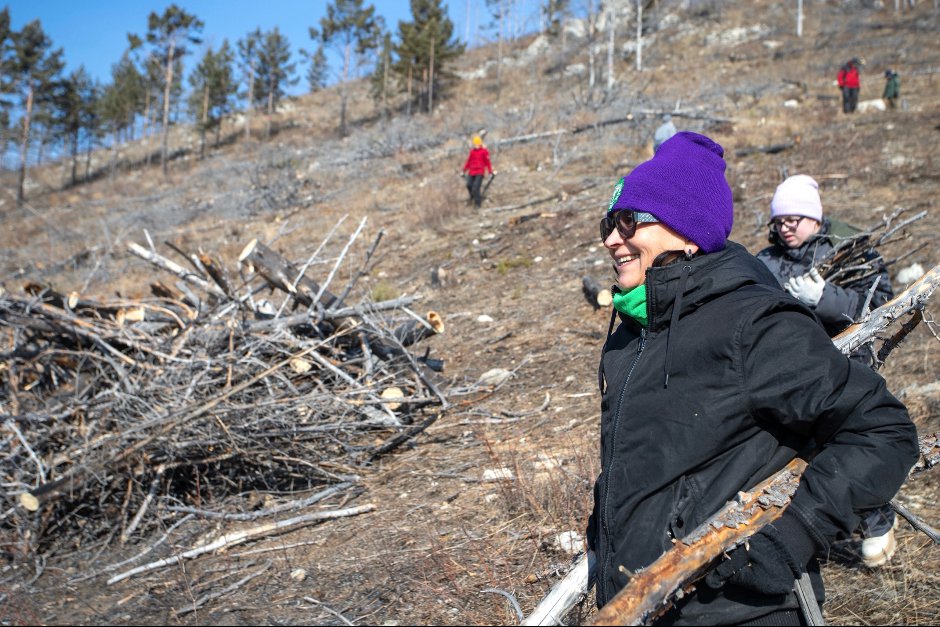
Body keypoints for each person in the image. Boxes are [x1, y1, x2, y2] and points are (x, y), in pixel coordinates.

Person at [587, 132, 918, 625]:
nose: (613, 239)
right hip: (643, 608)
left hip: (738, 612)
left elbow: (882, 430)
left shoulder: (753, 324)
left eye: (629, 221)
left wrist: (794, 536)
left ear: (686, 229)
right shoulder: (632, 333)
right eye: (608, 224)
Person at [756, 174, 899, 568]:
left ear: (816, 219)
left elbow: (880, 304)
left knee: (850, 444)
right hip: (788, 376)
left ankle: (877, 519)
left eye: (795, 219)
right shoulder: (765, 262)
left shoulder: (851, 253)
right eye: (780, 221)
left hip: (846, 370)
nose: (786, 228)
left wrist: (824, 299)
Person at [462, 134, 495, 208]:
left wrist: (490, 171)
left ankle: (478, 204)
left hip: (479, 172)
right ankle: (472, 198)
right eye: (475, 144)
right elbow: (468, 161)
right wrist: (464, 170)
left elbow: (488, 162)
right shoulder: (472, 152)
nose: (476, 145)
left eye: (477, 144)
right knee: (469, 185)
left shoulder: (484, 151)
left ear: (480, 143)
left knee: (476, 187)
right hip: (472, 171)